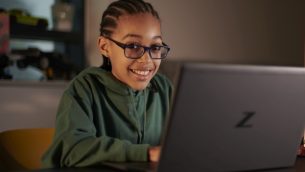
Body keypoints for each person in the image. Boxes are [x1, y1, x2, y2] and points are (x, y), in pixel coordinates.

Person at [41, 0, 173, 168]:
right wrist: (145, 153)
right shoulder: (84, 88)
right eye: (133, 46)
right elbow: (73, 149)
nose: (146, 60)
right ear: (105, 47)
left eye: (155, 47)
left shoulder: (164, 89)